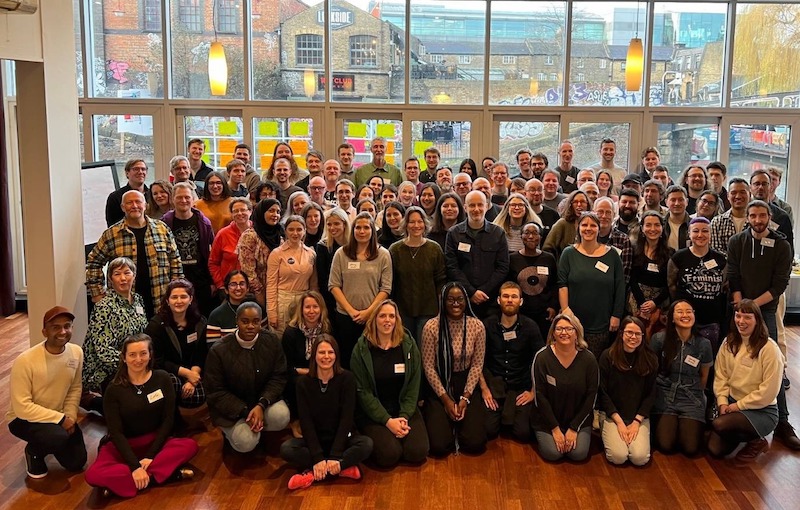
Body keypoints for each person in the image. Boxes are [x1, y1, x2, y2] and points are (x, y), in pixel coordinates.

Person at [85, 334, 198, 498]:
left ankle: (129, 482)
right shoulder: (113, 389)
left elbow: (168, 420)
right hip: (123, 445)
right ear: (123, 357)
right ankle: (164, 475)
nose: (138, 359)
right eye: (132, 355)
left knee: (189, 446)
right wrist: (134, 466)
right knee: (93, 475)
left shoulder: (163, 378)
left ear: (150, 354)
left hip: (155, 441)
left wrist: (150, 456)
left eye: (143, 353)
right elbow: (115, 432)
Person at [726, 199, 798, 449]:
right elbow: (732, 275)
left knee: (771, 363)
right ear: (747, 217)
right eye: (753, 216)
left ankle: (783, 423)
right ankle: (732, 413)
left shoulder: (782, 245)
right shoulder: (737, 242)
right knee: (732, 360)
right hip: (738, 309)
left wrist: (752, 308)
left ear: (769, 217)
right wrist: (741, 307)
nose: (757, 220)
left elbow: (779, 285)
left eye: (762, 216)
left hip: (764, 311)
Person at [280, 335, 372, 489]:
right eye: (321, 353)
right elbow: (306, 420)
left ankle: (313, 473)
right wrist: (317, 457)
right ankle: (340, 468)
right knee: (287, 449)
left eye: (330, 352)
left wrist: (335, 455)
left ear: (336, 355)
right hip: (315, 441)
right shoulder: (303, 383)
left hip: (341, 440)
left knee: (367, 444)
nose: (326, 357)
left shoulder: (347, 379)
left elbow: (346, 419)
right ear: (314, 355)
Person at [8, 306, 86, 479]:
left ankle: (52, 438)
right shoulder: (25, 361)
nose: (63, 331)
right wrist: (60, 419)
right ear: (44, 332)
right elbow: (22, 407)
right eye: (55, 327)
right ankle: (34, 451)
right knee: (56, 437)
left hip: (58, 415)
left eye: (67, 326)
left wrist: (70, 417)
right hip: (23, 419)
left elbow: (74, 388)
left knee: (76, 462)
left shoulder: (76, 352)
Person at [351, 300, 429, 467]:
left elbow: (413, 385)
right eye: (382, 316)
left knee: (417, 452)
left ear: (397, 320)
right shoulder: (361, 349)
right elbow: (363, 392)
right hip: (374, 412)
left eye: (391, 316)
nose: (387, 320)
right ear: (374, 319)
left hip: (403, 408)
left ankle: (398, 432)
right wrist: (387, 421)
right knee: (389, 455)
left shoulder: (408, 345)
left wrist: (404, 416)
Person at [205, 303, 291, 453]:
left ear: (261, 322)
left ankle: (257, 427)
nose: (250, 326)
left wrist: (261, 405)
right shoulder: (218, 350)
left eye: (256, 321)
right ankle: (238, 433)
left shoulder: (271, 341)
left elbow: (278, 377)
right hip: (232, 411)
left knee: (282, 417)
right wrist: (245, 411)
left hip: (261, 403)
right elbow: (216, 392)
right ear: (236, 321)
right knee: (245, 443)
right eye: (245, 321)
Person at [86, 190, 183, 320]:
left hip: (160, 299)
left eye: (138, 201)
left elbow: (175, 259)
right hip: (124, 305)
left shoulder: (162, 229)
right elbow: (93, 263)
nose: (134, 206)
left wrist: (176, 290)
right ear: (122, 207)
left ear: (146, 205)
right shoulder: (112, 234)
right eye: (129, 203)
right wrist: (97, 294)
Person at [708, 300, 784, 462]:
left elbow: (768, 392)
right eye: (738, 316)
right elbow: (721, 376)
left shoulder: (769, 349)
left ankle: (757, 440)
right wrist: (722, 402)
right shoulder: (728, 343)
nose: (741, 321)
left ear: (757, 319)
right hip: (731, 403)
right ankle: (742, 434)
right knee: (714, 450)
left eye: (747, 317)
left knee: (719, 425)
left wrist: (737, 406)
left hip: (762, 410)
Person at [422, 282, 487, 455]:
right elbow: (428, 367)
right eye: (450, 299)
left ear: (466, 301)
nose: (455, 303)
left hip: (465, 382)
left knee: (475, 443)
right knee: (439, 446)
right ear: (443, 302)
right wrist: (446, 400)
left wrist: (465, 398)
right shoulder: (431, 327)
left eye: (460, 299)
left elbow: (477, 365)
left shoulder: (477, 326)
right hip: (439, 383)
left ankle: (459, 422)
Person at [82, 257, 149, 413]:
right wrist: (130, 364)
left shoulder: (138, 300)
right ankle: (91, 401)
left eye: (127, 272)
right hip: (105, 368)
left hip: (134, 361)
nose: (123, 278)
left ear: (134, 275)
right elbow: (102, 350)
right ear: (110, 279)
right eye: (117, 274)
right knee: (129, 410)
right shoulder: (104, 307)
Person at [480, 282, 544, 441]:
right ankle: (503, 415)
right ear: (498, 300)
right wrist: (484, 389)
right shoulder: (486, 325)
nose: (510, 300)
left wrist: (533, 392)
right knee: (488, 431)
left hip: (521, 387)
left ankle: (508, 415)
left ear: (521, 301)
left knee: (523, 434)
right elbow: (477, 361)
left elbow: (541, 361)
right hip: (494, 386)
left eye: (514, 297)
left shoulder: (531, 327)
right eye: (506, 296)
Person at [329, 212, 393, 368]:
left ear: (372, 230)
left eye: (366, 227)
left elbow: (386, 288)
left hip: (373, 317)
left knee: (372, 360)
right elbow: (333, 285)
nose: (362, 231)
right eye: (358, 227)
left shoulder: (383, 255)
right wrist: (351, 311)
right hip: (346, 316)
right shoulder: (341, 253)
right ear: (353, 230)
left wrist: (369, 312)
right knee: (348, 358)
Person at [532, 314, 598, 462]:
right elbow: (540, 396)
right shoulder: (542, 357)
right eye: (559, 329)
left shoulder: (589, 359)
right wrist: (555, 429)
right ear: (553, 333)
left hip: (578, 419)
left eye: (569, 329)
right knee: (553, 454)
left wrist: (574, 428)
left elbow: (591, 396)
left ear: (577, 333)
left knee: (578, 454)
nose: (564, 333)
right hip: (549, 419)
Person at [557, 212, 625, 357]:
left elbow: (620, 286)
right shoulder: (568, 253)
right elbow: (562, 284)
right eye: (584, 225)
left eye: (593, 225)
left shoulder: (612, 254)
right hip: (573, 322)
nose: (588, 228)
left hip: (601, 323)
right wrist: (565, 310)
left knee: (595, 364)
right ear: (578, 227)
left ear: (599, 229)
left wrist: (616, 315)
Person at [650, 300, 712, 456]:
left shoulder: (704, 344)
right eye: (680, 311)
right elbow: (652, 371)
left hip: (691, 397)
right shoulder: (659, 339)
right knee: (665, 445)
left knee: (690, 449)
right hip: (664, 394)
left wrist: (698, 393)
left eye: (689, 311)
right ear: (671, 317)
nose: (685, 315)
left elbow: (704, 376)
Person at [599, 317, 658, 466]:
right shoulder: (608, 356)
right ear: (621, 334)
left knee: (640, 458)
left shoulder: (650, 358)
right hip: (613, 415)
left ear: (643, 337)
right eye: (629, 332)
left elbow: (651, 393)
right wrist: (619, 422)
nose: (633, 337)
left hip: (638, 416)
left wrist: (637, 422)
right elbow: (602, 393)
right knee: (618, 456)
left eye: (638, 334)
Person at [445, 190, 510, 319]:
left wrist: (483, 291)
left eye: (480, 205)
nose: (476, 209)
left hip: (490, 300)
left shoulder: (498, 233)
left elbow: (503, 267)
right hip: (462, 299)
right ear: (465, 207)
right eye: (472, 205)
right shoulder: (453, 233)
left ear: (486, 206)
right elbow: (452, 266)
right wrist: (471, 292)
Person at [145, 279, 208, 410]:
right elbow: (157, 360)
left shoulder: (200, 322)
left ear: (190, 299)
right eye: (174, 297)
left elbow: (201, 353)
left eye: (183, 296)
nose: (179, 301)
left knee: (198, 396)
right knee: (171, 383)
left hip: (192, 371)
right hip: (167, 372)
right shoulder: (156, 325)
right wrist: (186, 373)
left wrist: (192, 378)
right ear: (167, 301)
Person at [389, 206, 447, 343]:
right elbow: (391, 282)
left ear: (425, 224)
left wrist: (440, 311)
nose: (416, 225)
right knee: (405, 347)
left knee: (425, 349)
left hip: (428, 310)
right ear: (405, 224)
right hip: (402, 310)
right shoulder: (395, 250)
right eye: (412, 222)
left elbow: (441, 281)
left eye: (420, 221)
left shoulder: (434, 249)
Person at [668, 217, 727, 350]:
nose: (700, 235)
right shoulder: (678, 257)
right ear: (689, 234)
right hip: (684, 319)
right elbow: (671, 285)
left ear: (711, 234)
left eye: (705, 231)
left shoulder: (720, 259)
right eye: (696, 231)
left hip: (711, 319)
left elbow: (723, 286)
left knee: (708, 358)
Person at [281, 290, 332, 438]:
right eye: (307, 307)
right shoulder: (291, 333)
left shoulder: (327, 329)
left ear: (321, 309)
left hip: (323, 371)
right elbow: (286, 367)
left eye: (315, 307)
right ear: (301, 310)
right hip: (297, 376)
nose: (311, 311)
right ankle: (297, 420)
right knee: (300, 383)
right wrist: (310, 371)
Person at [161, 182, 215, 316]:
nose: (183, 200)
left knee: (202, 316)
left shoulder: (204, 223)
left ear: (193, 199)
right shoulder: (164, 223)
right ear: (172, 199)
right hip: (174, 277)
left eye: (187, 197)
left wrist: (212, 281)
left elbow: (212, 254)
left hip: (200, 278)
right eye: (179, 197)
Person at [267, 215, 317, 335]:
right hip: (283, 300)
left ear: (304, 231)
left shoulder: (311, 253)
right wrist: (272, 312)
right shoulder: (276, 254)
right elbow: (271, 284)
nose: (295, 233)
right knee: (281, 337)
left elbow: (314, 284)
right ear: (285, 231)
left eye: (299, 229)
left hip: (303, 299)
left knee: (301, 336)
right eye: (291, 229)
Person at [508, 222, 558, 337]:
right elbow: (509, 285)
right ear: (521, 236)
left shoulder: (548, 258)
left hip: (544, 313)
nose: (531, 237)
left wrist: (553, 306)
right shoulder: (512, 259)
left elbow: (555, 284)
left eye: (535, 233)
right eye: (527, 233)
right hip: (521, 312)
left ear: (540, 237)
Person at [628, 211, 673, 334]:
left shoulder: (671, 254)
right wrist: (642, 303)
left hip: (660, 304)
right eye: (648, 225)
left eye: (656, 225)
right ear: (642, 228)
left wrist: (655, 303)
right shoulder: (634, 250)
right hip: (636, 302)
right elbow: (632, 279)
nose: (652, 229)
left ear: (662, 228)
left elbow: (670, 283)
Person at [237, 198, 283, 308]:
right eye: (271, 211)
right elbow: (249, 271)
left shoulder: (281, 234)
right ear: (262, 212)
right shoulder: (250, 236)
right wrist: (261, 296)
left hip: (280, 289)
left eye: (278, 212)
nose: (275, 215)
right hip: (258, 294)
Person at [208, 197, 252, 293]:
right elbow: (213, 262)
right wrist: (220, 284)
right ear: (231, 214)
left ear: (250, 211)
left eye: (243, 210)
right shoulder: (222, 234)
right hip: (228, 289)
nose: (239, 213)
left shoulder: (258, 232)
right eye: (235, 211)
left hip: (253, 289)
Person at [207, 270, 258, 344]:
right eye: (233, 284)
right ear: (226, 290)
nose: (238, 288)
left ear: (247, 288)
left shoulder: (258, 310)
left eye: (242, 284)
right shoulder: (216, 315)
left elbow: (264, 341)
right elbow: (213, 348)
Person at [315, 208, 350, 315]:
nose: (332, 228)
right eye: (329, 224)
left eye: (336, 224)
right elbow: (323, 279)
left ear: (344, 224)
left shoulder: (353, 245)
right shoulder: (323, 247)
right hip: (331, 300)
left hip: (352, 296)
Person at [542, 190, 589, 261]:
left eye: (582, 202)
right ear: (570, 204)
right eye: (575, 202)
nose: (579, 204)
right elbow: (547, 248)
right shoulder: (562, 223)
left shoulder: (593, 224)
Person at [710, 177, 750, 254]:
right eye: (734, 193)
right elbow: (716, 251)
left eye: (742, 192)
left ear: (750, 194)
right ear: (728, 196)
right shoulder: (717, 222)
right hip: (725, 265)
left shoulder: (757, 222)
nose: (738, 196)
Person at [106, 159, 149, 227]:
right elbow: (112, 225)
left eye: (143, 169)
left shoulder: (152, 194)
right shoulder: (115, 197)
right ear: (127, 173)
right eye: (136, 169)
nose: (140, 172)